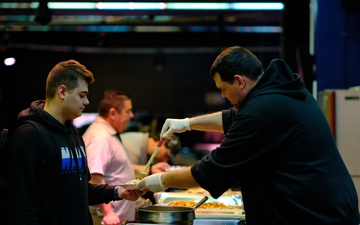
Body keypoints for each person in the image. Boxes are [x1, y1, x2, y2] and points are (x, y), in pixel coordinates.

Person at [135, 46, 360, 225]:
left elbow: (211, 171)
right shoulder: (277, 91)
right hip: (328, 208)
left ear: (240, 81)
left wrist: (158, 181)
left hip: (315, 216)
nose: (223, 95)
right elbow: (231, 118)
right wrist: (186, 124)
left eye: (223, 89)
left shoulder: (262, 111)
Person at [6, 60, 143, 225]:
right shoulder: (30, 135)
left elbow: (81, 189)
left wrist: (118, 191)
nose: (87, 102)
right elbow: (22, 207)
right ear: (62, 92)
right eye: (82, 95)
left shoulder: (73, 133)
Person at [82, 90, 168, 224]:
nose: (132, 115)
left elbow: (115, 167)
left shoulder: (107, 133)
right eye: (128, 111)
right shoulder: (100, 137)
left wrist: (150, 170)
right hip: (108, 218)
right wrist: (108, 213)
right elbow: (94, 176)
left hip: (117, 216)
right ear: (113, 113)